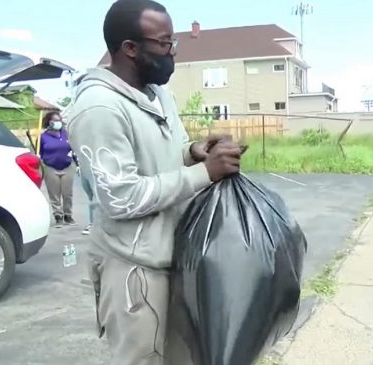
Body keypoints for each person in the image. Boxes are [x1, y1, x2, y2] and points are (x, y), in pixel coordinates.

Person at [67, 1, 242, 364]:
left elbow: (164, 153)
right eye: (165, 44)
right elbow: (121, 197)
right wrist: (204, 173)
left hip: (173, 259)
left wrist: (193, 150)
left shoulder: (158, 95)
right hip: (134, 270)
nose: (172, 52)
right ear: (130, 49)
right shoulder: (100, 108)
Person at [39, 111, 76, 227]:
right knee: (54, 194)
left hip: (67, 166)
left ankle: (68, 215)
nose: (58, 123)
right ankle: (58, 216)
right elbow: (39, 152)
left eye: (59, 120)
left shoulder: (66, 134)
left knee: (67, 193)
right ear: (49, 122)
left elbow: (73, 148)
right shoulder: (43, 137)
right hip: (50, 167)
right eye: (55, 120)